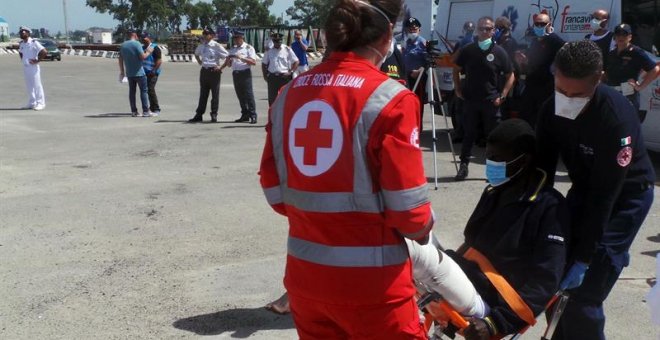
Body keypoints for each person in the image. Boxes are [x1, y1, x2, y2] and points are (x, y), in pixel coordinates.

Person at [259, 0, 434, 338]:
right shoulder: (392, 99)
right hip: (375, 289)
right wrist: (425, 227)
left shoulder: (287, 94)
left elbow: (274, 190)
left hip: (306, 281)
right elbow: (410, 214)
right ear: (386, 38)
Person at [535, 41, 655, 340]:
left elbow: (605, 197)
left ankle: (612, 257)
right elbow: (542, 172)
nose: (567, 99)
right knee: (555, 279)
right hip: (586, 186)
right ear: (554, 73)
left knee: (586, 294)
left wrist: (587, 257)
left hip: (625, 196)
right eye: (562, 90)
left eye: (577, 94)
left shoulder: (615, 118)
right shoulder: (550, 108)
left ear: (598, 78)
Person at [446, 118, 570, 339]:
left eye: (497, 159)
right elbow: (470, 241)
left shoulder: (549, 207)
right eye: (488, 157)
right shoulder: (495, 191)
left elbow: (545, 281)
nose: (490, 165)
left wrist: (497, 322)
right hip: (471, 279)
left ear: (524, 160)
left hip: (497, 298)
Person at [452, 16, 515, 181]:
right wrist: (458, 89)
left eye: (488, 29)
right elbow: (456, 69)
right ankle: (463, 167)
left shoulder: (499, 52)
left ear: (494, 31)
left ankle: (494, 172)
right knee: (469, 135)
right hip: (471, 100)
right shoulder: (468, 50)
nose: (485, 31)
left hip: (491, 101)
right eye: (481, 28)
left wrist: (503, 95)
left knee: (493, 137)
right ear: (477, 30)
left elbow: (510, 75)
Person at [516, 12, 565, 127]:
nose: (539, 26)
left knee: (542, 119)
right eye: (536, 24)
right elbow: (531, 62)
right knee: (526, 115)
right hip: (531, 85)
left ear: (549, 24)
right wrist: (523, 61)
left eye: (542, 24)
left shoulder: (556, 41)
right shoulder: (535, 41)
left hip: (547, 87)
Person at [605, 23, 660, 119]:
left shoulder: (636, 52)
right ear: (614, 37)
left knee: (628, 124)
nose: (621, 37)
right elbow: (606, 72)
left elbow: (654, 69)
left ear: (630, 37)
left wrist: (640, 86)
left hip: (628, 94)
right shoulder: (611, 53)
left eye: (624, 34)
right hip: (612, 94)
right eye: (618, 34)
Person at [189, 28, 228, 123]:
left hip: (214, 72)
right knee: (203, 94)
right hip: (204, 71)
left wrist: (221, 68)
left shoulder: (216, 46)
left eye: (207, 34)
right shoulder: (202, 45)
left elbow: (227, 56)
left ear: (212, 35)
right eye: (204, 34)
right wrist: (199, 61)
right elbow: (196, 53)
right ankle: (199, 114)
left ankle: (214, 114)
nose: (205, 35)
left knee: (215, 95)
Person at [224, 29, 258, 124]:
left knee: (248, 95)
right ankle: (245, 114)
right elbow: (229, 65)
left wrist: (241, 58)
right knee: (240, 95)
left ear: (241, 37)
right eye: (234, 38)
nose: (235, 40)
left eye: (237, 38)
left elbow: (253, 62)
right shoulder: (233, 49)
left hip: (245, 73)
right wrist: (228, 59)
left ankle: (253, 115)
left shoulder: (248, 48)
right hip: (236, 74)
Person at [119, 29, 154, 117]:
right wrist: (148, 52)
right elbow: (143, 57)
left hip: (129, 73)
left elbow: (120, 59)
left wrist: (122, 72)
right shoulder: (137, 44)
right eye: (137, 35)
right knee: (143, 91)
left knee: (132, 92)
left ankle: (134, 111)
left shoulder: (123, 45)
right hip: (139, 73)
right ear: (134, 35)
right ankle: (145, 111)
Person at [402, 17, 428, 128]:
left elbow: (429, 61)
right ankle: (409, 124)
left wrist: (420, 71)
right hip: (407, 76)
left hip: (419, 77)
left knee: (418, 102)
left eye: (414, 29)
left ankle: (418, 127)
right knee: (408, 102)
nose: (412, 31)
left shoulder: (423, 43)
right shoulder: (406, 42)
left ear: (419, 30)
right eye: (410, 29)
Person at [261, 33, 299, 106]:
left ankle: (286, 115)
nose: (278, 43)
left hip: (285, 77)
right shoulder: (269, 51)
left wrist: (291, 72)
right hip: (273, 77)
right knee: (272, 100)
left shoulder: (287, 49)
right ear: (273, 41)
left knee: (286, 98)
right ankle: (273, 116)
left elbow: (296, 61)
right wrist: (265, 76)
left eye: (279, 41)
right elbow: (264, 63)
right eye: (276, 41)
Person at [17, 26, 47, 111]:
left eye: (23, 32)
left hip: (33, 67)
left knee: (37, 85)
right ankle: (32, 102)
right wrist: (23, 60)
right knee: (29, 85)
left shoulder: (34, 42)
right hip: (26, 67)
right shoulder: (22, 43)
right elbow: (21, 53)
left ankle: (41, 103)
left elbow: (44, 51)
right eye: (21, 32)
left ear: (28, 33)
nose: (22, 33)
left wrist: (37, 60)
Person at [141, 32, 162, 116]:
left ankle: (156, 108)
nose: (142, 39)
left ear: (149, 38)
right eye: (141, 37)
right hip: (145, 72)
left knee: (150, 89)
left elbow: (159, 61)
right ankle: (151, 107)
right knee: (147, 90)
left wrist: (153, 71)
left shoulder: (155, 48)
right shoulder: (142, 48)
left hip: (153, 72)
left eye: (144, 37)